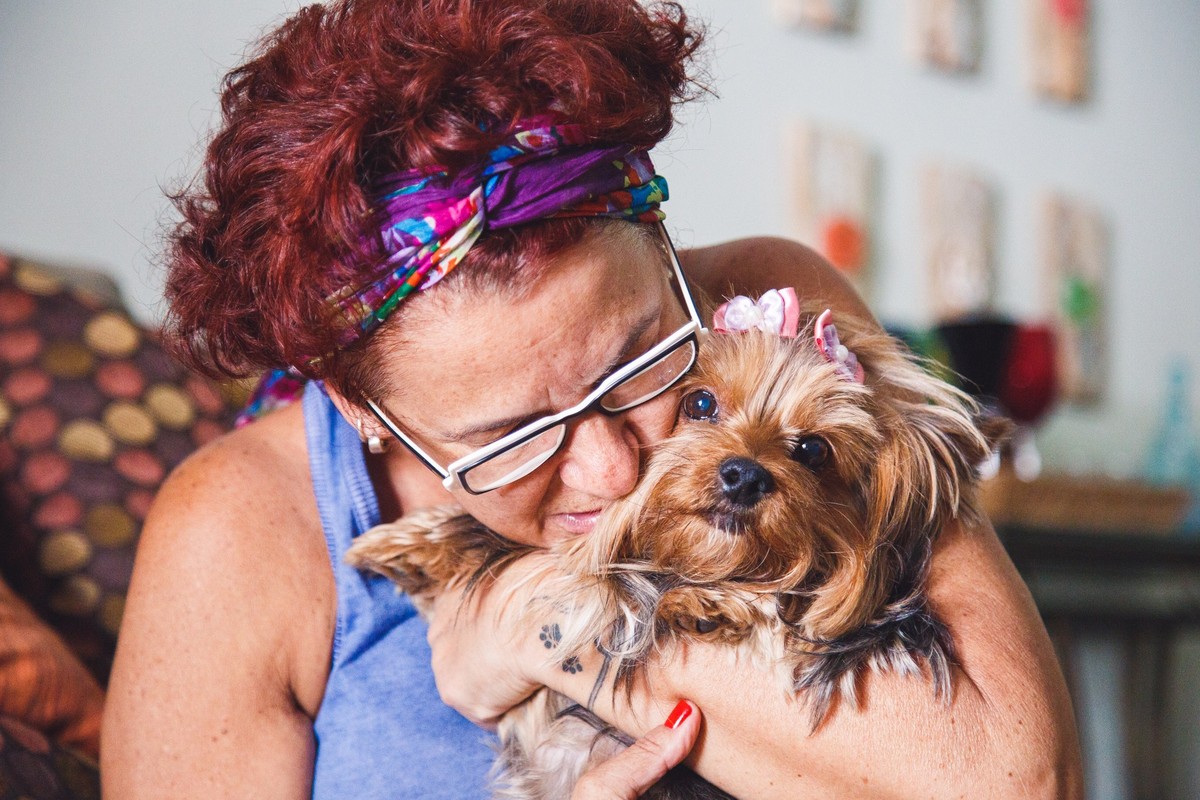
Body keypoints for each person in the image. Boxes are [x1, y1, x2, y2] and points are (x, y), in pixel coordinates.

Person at [101, 0, 1083, 797]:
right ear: (361, 408)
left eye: (638, 359)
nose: (613, 466)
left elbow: (1020, 776)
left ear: (664, 254)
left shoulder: (764, 307)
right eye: (511, 435)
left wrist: (530, 611)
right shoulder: (236, 529)